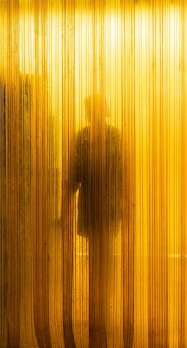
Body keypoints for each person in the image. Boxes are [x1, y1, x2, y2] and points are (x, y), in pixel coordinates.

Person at [67, 94, 124, 347]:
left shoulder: (84, 137)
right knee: (103, 257)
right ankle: (101, 308)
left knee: (99, 257)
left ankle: (99, 308)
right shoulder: (110, 136)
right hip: (102, 205)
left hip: (99, 205)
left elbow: (76, 175)